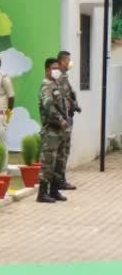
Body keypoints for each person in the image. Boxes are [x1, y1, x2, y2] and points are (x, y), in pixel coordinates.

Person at [36, 58, 69, 203]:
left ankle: (54, 190)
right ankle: (42, 193)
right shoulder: (46, 86)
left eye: (58, 68)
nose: (57, 70)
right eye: (54, 68)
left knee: (58, 162)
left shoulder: (56, 84)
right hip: (51, 130)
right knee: (48, 162)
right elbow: (48, 105)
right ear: (47, 70)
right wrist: (60, 120)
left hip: (60, 130)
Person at [56, 50, 80, 191]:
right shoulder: (58, 78)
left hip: (68, 118)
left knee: (65, 150)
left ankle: (61, 178)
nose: (69, 63)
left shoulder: (64, 77)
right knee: (61, 151)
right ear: (61, 62)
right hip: (62, 120)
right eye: (67, 60)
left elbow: (69, 95)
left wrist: (74, 105)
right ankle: (58, 180)